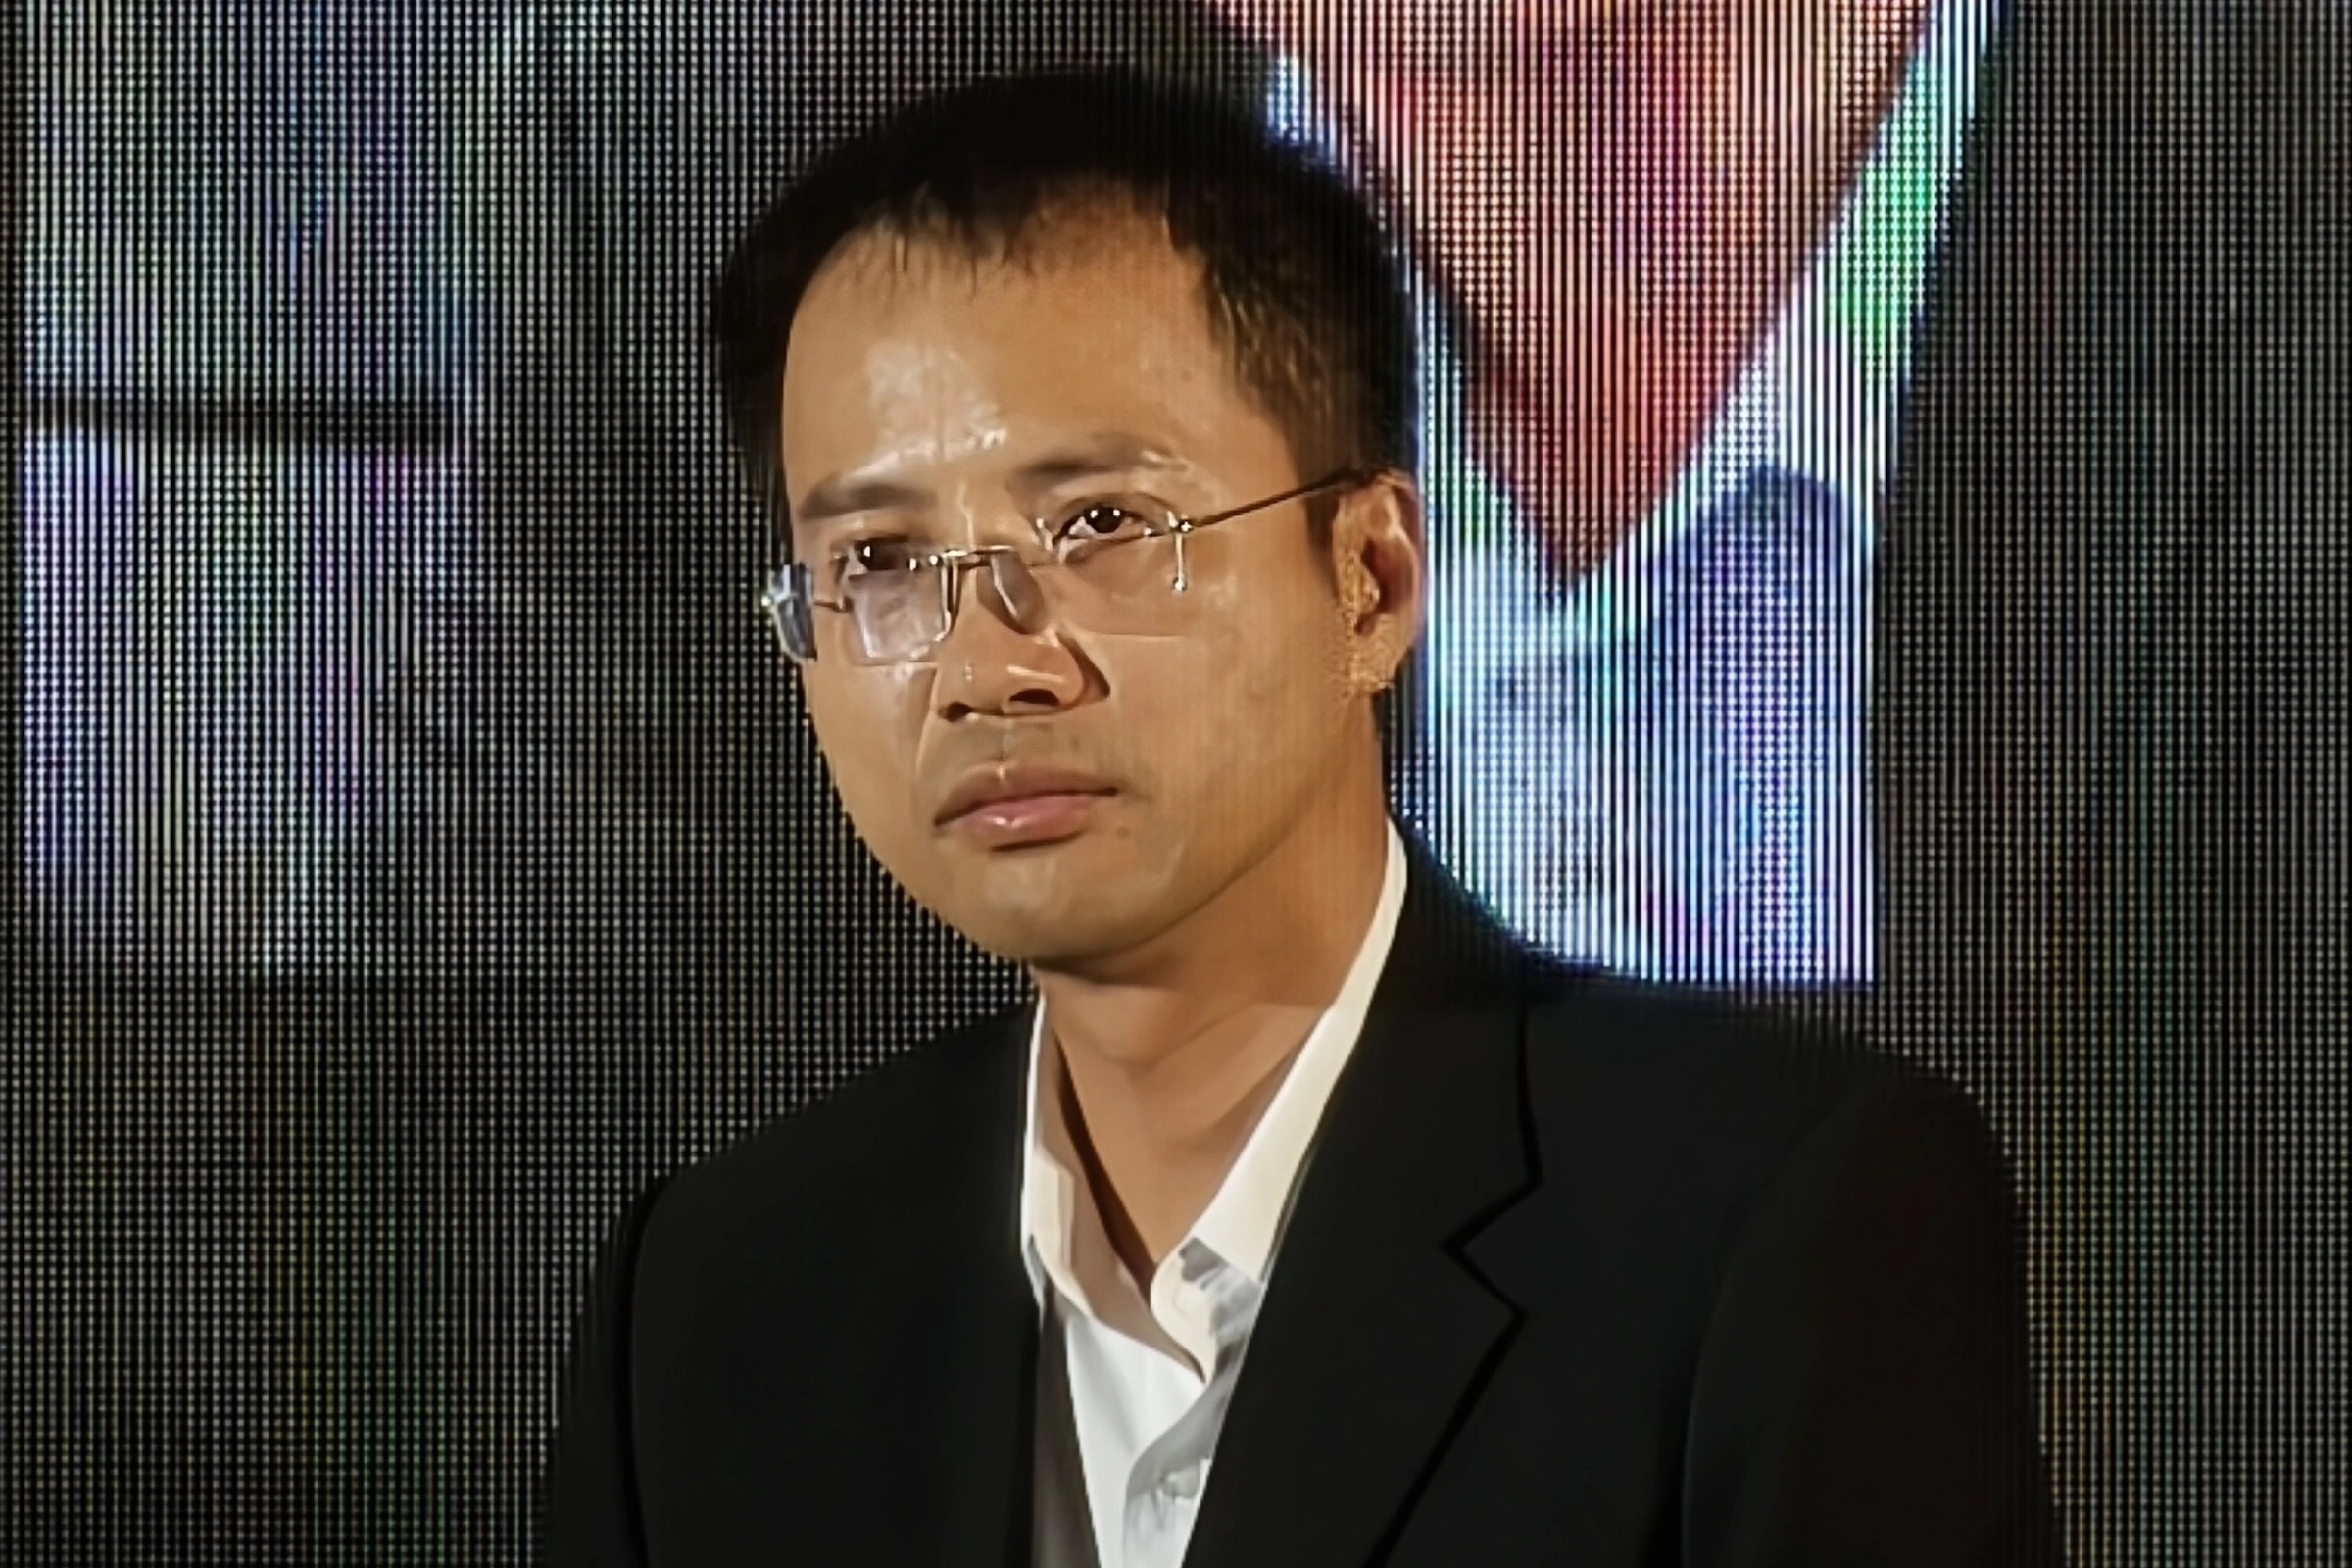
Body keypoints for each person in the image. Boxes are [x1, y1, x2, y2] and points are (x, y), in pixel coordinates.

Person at [543, 69, 2059, 1567]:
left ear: (1372, 581)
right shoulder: (710, 1303)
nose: (991, 667)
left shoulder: (1776, 1223)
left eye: (1103, 527)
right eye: (877, 562)